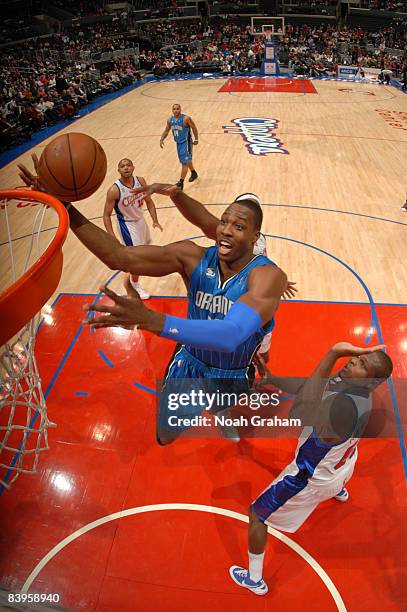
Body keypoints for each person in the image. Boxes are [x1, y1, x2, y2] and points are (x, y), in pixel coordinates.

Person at [18, 160, 288, 446]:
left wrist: (153, 320)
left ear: (255, 237)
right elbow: (119, 257)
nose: (226, 230)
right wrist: (66, 208)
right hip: (190, 364)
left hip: (232, 370)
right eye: (223, 221)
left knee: (223, 405)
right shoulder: (191, 256)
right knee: (166, 435)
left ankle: (221, 412)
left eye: (239, 226)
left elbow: (231, 335)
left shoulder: (269, 276)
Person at [229, 342, 393, 596]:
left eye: (362, 364)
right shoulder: (356, 388)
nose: (353, 361)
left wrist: (334, 352)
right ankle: (338, 491)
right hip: (343, 467)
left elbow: (300, 411)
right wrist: (274, 380)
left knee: (256, 515)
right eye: (359, 357)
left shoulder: (340, 408)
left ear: (371, 381)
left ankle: (254, 579)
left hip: (310, 478)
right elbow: (315, 386)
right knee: (338, 467)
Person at [103, 158, 163, 300]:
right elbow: (106, 215)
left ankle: (133, 278)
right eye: (122, 166)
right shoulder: (114, 190)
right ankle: (134, 286)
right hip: (127, 225)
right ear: (118, 170)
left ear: (133, 167)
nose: (126, 168)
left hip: (141, 221)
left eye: (128, 165)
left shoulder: (140, 181)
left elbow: (149, 201)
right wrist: (111, 236)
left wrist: (155, 220)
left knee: (144, 250)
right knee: (136, 259)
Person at [160, 103, 199, 190]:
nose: (176, 110)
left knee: (184, 162)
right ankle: (193, 173)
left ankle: (180, 182)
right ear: (172, 110)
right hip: (178, 143)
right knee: (186, 159)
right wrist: (161, 139)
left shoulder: (186, 119)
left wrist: (196, 139)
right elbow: (166, 130)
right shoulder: (170, 120)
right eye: (174, 109)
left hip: (186, 142)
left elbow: (194, 127)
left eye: (178, 108)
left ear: (180, 109)